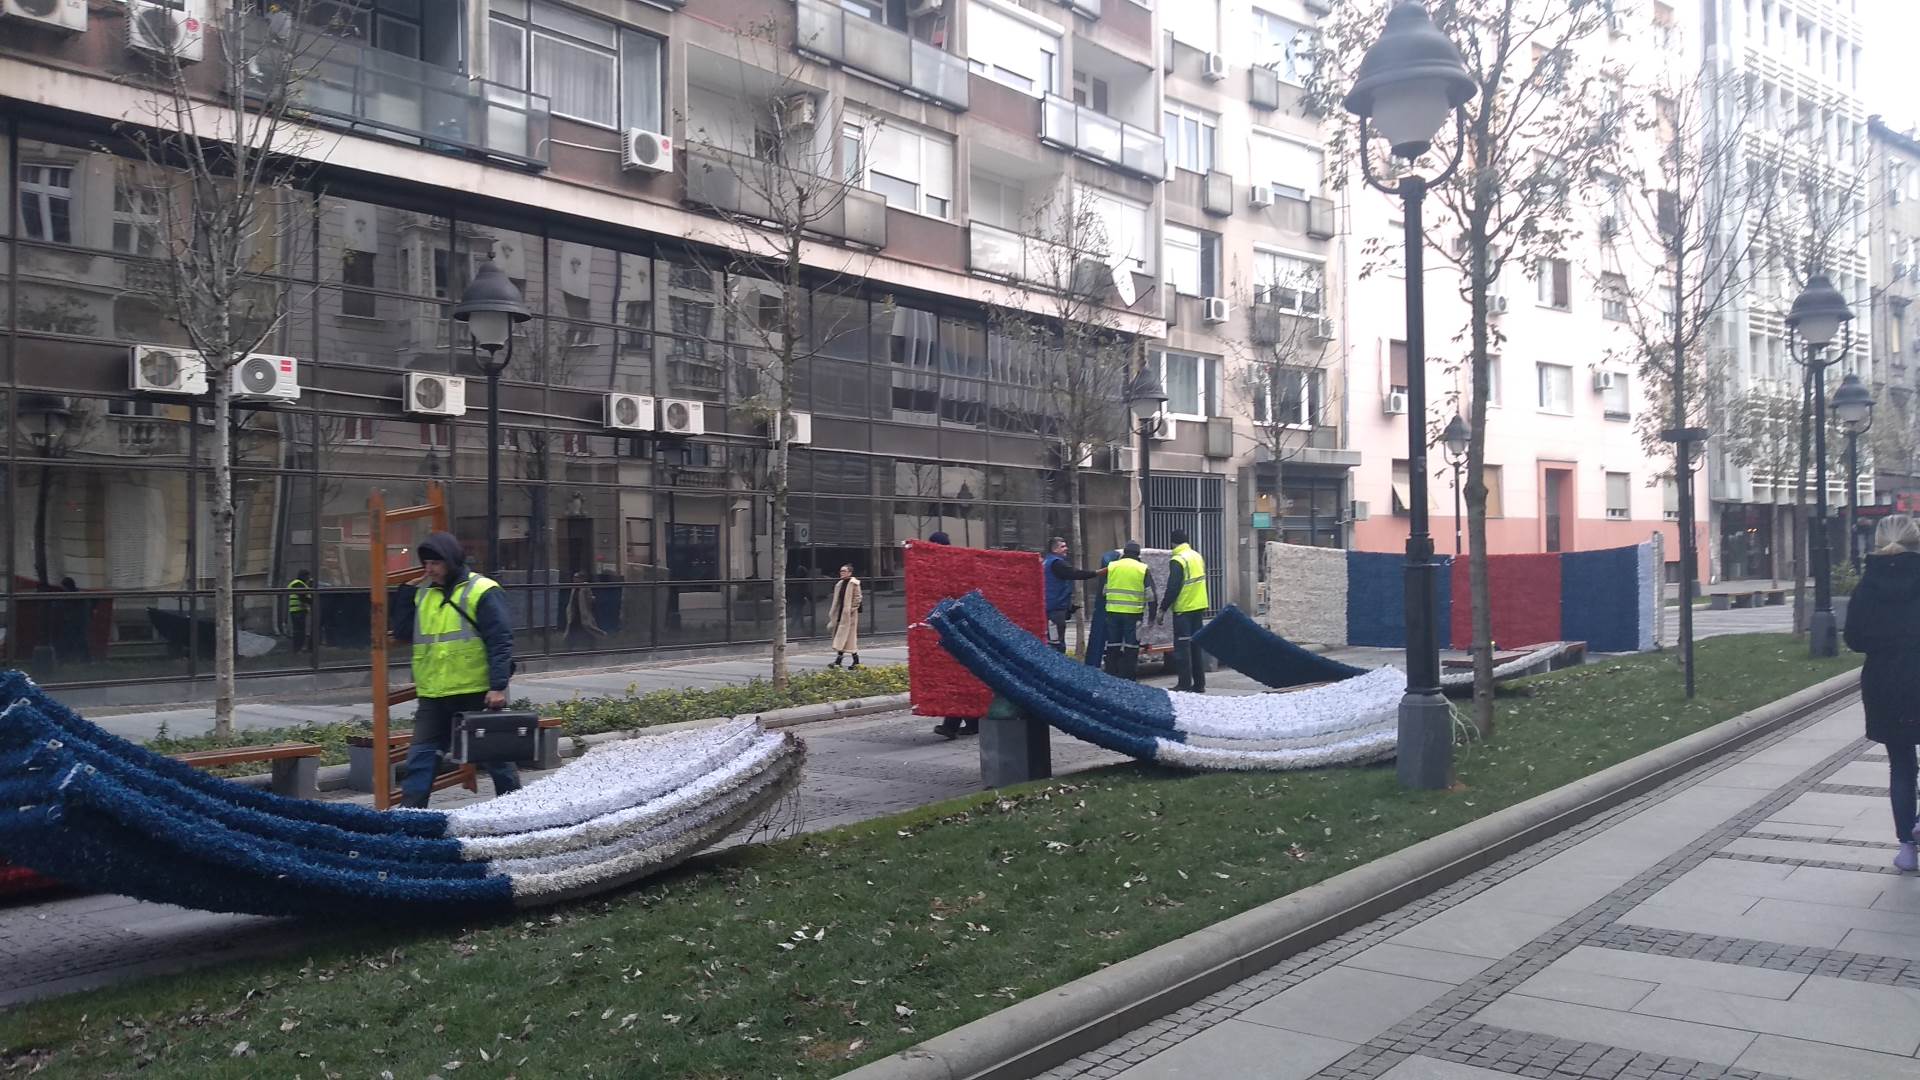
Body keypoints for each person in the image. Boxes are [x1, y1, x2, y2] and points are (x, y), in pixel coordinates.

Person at [391, 532, 521, 808]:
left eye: (435, 563)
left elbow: (500, 639)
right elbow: (403, 630)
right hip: (434, 692)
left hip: (476, 690)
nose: (429, 569)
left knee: (496, 758)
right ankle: (411, 819)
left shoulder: (482, 589)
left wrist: (497, 686)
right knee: (421, 758)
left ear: (451, 561)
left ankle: (515, 810)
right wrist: (405, 592)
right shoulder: (425, 593)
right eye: (426, 563)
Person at [1843, 513, 1920, 871]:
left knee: (1901, 765)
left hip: (1885, 684)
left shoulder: (1867, 586)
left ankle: (1907, 846)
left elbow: (1855, 638)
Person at [925, 531, 978, 739]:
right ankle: (973, 722)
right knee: (961, 677)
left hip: (954, 628)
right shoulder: (950, 564)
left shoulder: (947, 566)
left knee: (956, 678)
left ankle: (951, 725)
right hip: (957, 628)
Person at [1163, 529, 1209, 693]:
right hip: (1199, 606)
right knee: (1196, 646)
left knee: (1183, 648)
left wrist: (1163, 608)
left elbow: (1173, 587)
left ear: (1173, 542)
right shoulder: (1197, 556)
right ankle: (1199, 684)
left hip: (1184, 609)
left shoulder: (1178, 559)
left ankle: (1184, 684)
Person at [1042, 537, 1106, 654]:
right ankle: (1058, 667)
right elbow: (1075, 574)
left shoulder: (1047, 562)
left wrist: (1069, 607)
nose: (1066, 549)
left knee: (1053, 639)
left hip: (1052, 607)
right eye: (1062, 546)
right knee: (1056, 643)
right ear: (1054, 549)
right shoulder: (1057, 563)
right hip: (1055, 610)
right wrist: (1098, 573)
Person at [1103, 541, 1157, 680]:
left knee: (1113, 645)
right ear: (1138, 554)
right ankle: (1128, 678)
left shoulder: (1113, 566)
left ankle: (1110, 676)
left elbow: (1104, 591)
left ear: (1124, 553)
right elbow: (1151, 595)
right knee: (1131, 646)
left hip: (1113, 612)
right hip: (1133, 615)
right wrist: (1152, 616)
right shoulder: (1142, 568)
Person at [828, 564, 863, 669]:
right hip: (840, 614)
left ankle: (853, 662)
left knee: (849, 639)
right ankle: (841, 662)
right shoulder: (840, 584)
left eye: (844, 571)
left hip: (849, 616)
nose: (841, 573)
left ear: (850, 573)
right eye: (841, 571)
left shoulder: (854, 583)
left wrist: (851, 610)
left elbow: (858, 598)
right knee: (842, 637)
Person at [286, 570, 313, 652]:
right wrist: (313, 601)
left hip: (297, 610)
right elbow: (303, 596)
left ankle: (298, 649)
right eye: (307, 576)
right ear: (303, 576)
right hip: (298, 611)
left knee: (298, 630)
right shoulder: (298, 583)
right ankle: (298, 649)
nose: (308, 578)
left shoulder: (297, 583)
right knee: (300, 631)